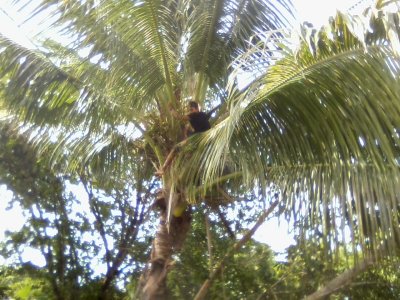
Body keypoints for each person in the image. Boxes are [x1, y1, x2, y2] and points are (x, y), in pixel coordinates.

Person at [155, 101, 211, 177]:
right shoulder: (203, 115)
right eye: (190, 110)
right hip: (205, 139)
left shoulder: (194, 115)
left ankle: (163, 169)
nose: (190, 111)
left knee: (176, 148)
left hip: (198, 137)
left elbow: (178, 117)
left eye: (191, 109)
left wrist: (171, 109)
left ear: (195, 109)